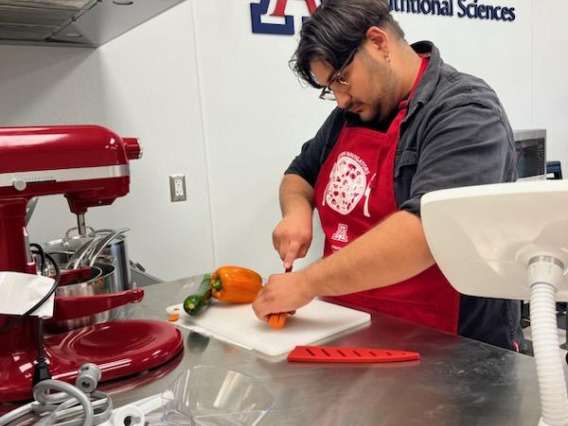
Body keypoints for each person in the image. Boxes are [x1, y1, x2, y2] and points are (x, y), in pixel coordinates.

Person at [252, 0, 524, 351]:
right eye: (329, 89)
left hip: (449, 351)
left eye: (341, 80)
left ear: (378, 43)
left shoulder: (465, 110)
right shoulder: (353, 114)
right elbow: (300, 173)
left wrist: (306, 284)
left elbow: (425, 233)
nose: (340, 100)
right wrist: (296, 213)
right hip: (353, 334)